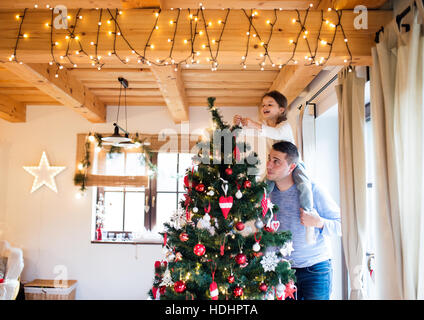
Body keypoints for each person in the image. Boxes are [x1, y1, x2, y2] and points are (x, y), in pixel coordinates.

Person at [233, 90, 316, 244]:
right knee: (263, 190)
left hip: (294, 164)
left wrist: (254, 124)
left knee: (305, 186)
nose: (265, 107)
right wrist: (240, 125)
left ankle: (308, 214)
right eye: (263, 105)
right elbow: (258, 133)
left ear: (281, 109)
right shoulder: (265, 126)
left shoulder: (284, 126)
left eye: (270, 104)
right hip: (276, 168)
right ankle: (262, 224)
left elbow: (275, 133)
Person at [266, 141, 341, 300]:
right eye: (269, 159)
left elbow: (342, 225)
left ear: (291, 167)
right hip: (282, 273)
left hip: (315, 270)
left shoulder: (313, 190)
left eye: (276, 161)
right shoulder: (266, 194)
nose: (269, 165)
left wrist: (318, 222)